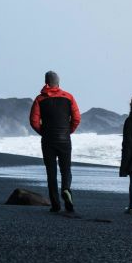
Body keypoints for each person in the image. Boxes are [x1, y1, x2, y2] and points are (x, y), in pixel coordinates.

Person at [29, 71, 81, 213]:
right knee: (66, 170)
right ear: (58, 82)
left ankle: (56, 204)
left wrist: (43, 132)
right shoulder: (69, 97)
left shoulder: (39, 99)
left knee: (51, 172)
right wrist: (68, 131)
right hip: (64, 139)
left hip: (48, 140)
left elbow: (33, 121)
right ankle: (66, 189)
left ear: (46, 82)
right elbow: (77, 118)